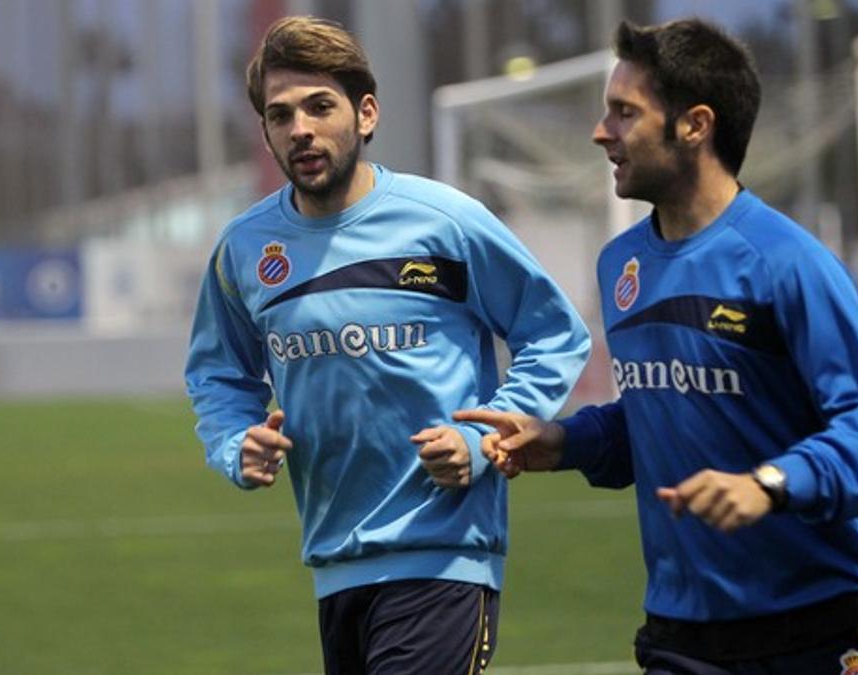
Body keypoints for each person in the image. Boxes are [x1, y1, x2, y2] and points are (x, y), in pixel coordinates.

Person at [455, 18, 858, 675]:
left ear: (695, 125)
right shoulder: (622, 266)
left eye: (624, 113)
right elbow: (653, 415)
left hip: (818, 621)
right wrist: (560, 442)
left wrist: (771, 484)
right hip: (683, 630)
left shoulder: (787, 262)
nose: (600, 132)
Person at [183, 15, 591, 675]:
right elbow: (220, 375)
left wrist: (483, 444)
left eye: (320, 107)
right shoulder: (245, 248)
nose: (301, 129)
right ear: (266, 134)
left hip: (444, 557)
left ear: (365, 114)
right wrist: (237, 443)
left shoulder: (446, 222)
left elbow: (554, 334)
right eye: (280, 116)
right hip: (335, 567)